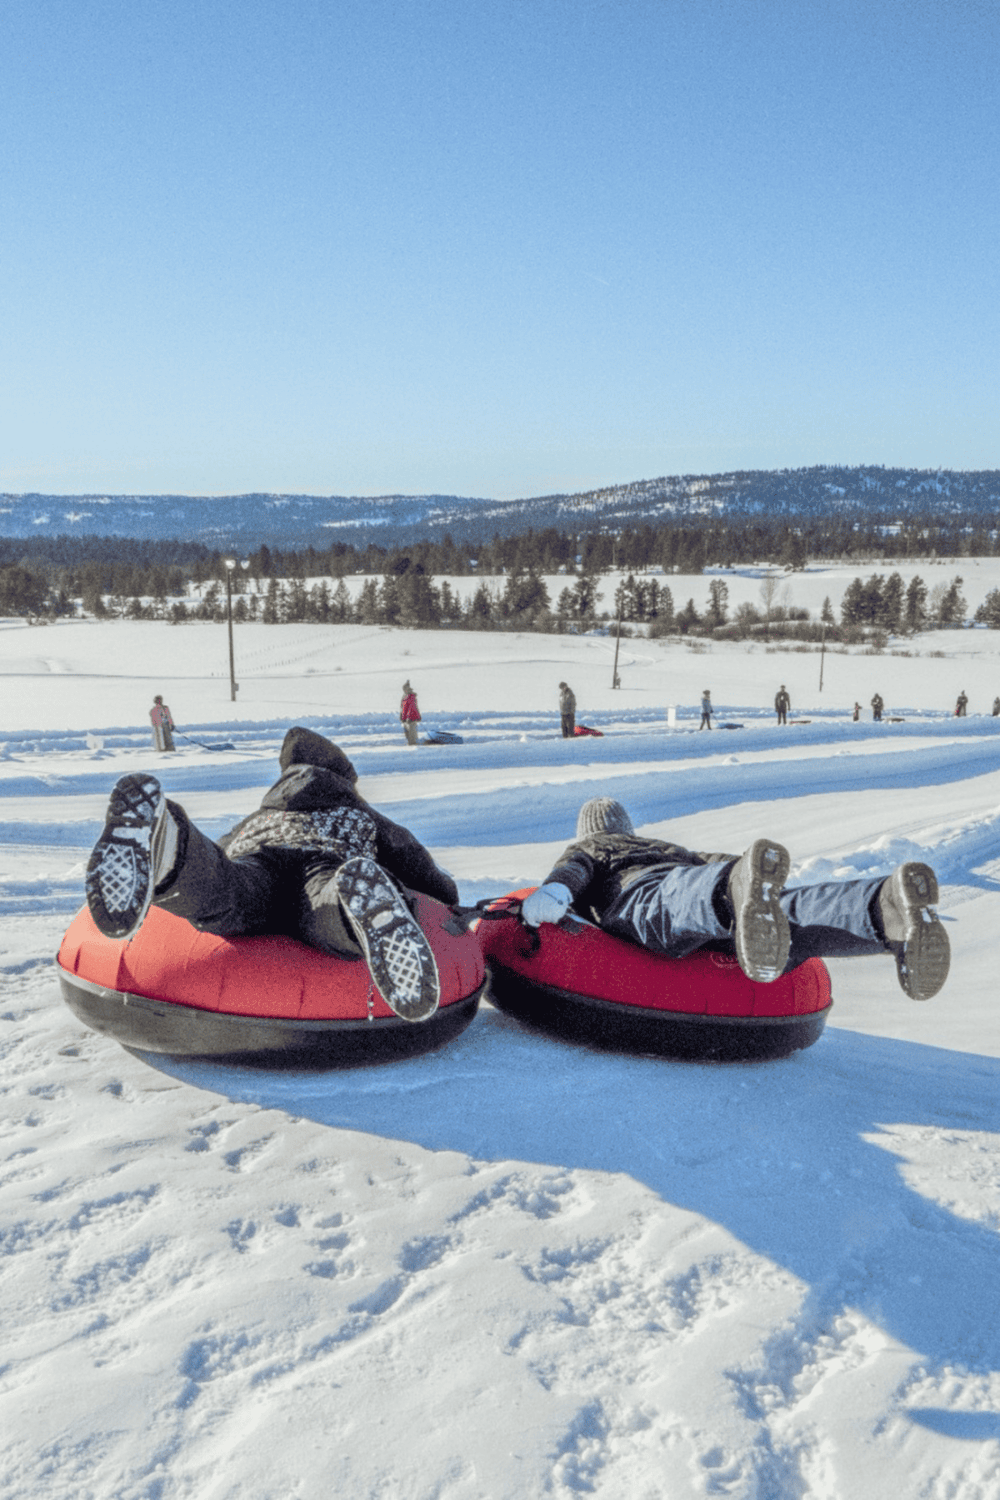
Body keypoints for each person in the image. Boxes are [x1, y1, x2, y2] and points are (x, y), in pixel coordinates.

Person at [84, 728, 458, 1022]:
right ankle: (351, 900)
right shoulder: (361, 814)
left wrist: (208, 864)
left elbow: (222, 852)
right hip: (327, 859)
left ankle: (169, 852)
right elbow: (414, 861)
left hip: (260, 853)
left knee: (229, 892)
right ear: (344, 777)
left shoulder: (265, 813)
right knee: (322, 910)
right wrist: (445, 899)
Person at [520, 798, 950, 1001]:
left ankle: (734, 894)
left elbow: (573, 871)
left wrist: (555, 892)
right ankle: (882, 908)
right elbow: (711, 861)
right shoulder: (666, 845)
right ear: (628, 826)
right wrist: (741, 871)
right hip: (697, 879)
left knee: (667, 907)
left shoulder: (592, 846)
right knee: (787, 915)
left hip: (643, 891)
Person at [400, 681, 421, 746]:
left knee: (412, 734)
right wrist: (402, 717)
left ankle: (414, 746)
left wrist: (409, 717)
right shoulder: (405, 697)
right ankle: (411, 744)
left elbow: (412, 708)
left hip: (411, 718)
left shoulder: (411, 697)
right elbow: (403, 708)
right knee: (407, 734)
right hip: (406, 719)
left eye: (405, 689)